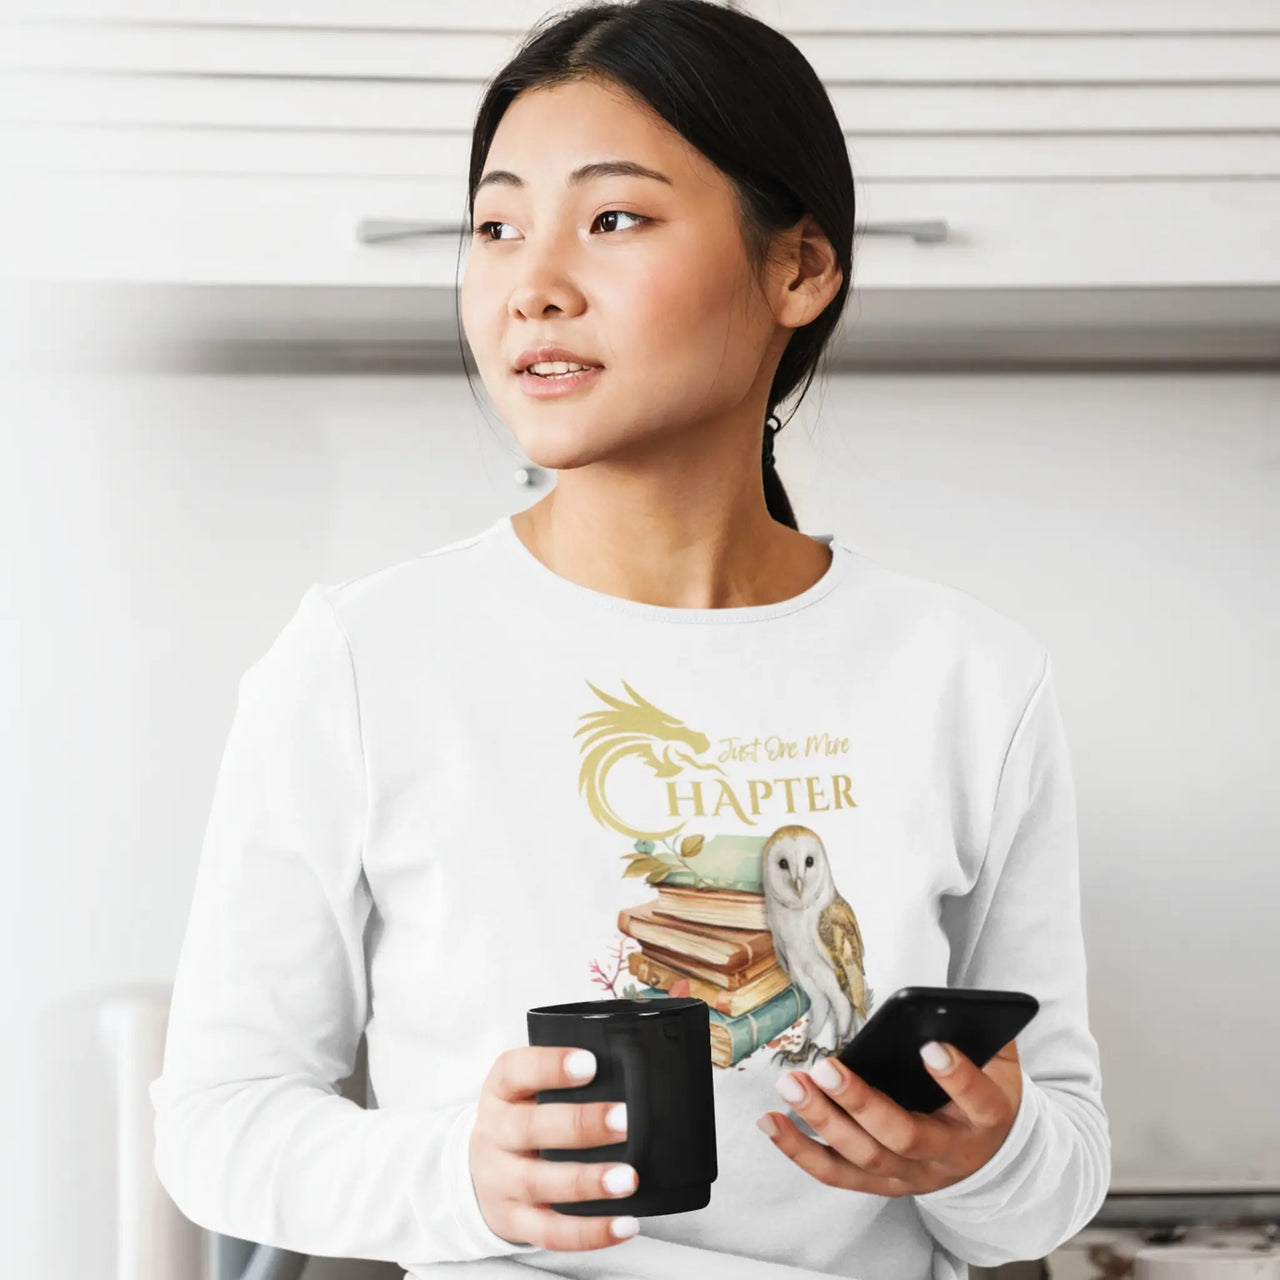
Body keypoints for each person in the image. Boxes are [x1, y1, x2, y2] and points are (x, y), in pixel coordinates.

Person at [149, 4, 1111, 1279]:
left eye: (612, 219)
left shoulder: (969, 675)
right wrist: (459, 1176)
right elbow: (218, 1123)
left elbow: (1055, 1174)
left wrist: (980, 1157)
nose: (531, 283)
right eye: (495, 227)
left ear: (797, 270)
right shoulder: (362, 659)